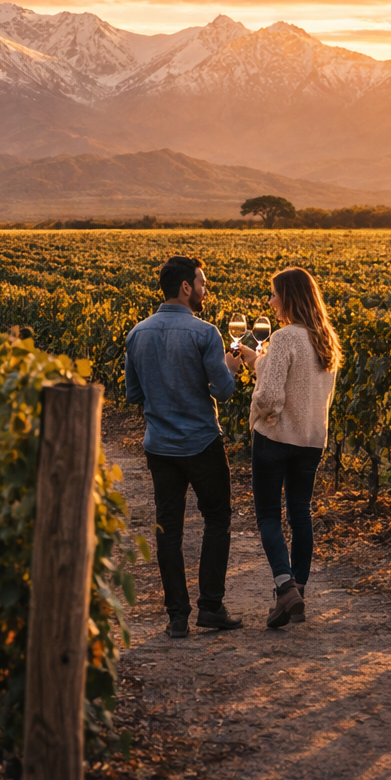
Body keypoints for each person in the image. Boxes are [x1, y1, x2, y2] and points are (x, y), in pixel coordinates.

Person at [125, 256, 245, 639]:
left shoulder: (136, 334)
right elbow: (223, 391)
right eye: (203, 283)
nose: (205, 290)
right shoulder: (205, 333)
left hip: (159, 446)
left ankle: (177, 616)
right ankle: (210, 607)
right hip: (202, 443)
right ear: (185, 288)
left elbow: (132, 394)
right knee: (217, 519)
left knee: (169, 529)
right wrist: (232, 368)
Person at [233, 266, 341, 629]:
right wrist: (258, 361)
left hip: (276, 438)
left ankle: (284, 585)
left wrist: (263, 411)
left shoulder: (284, 338)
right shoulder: (326, 339)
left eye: (274, 294)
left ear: (289, 297)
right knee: (300, 514)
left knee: (267, 514)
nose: (270, 300)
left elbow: (268, 397)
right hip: (312, 440)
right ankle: (298, 592)